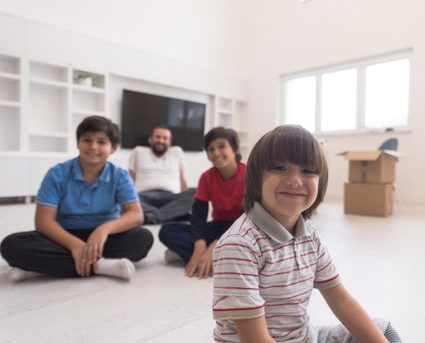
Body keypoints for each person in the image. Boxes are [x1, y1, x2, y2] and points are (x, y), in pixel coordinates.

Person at [212, 125, 401, 342]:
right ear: (257, 177)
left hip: (305, 337)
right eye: (279, 167)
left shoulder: (310, 234)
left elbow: (340, 299)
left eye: (308, 171)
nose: (295, 180)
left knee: (384, 332)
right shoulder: (240, 244)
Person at [0, 116, 153, 281]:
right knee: (11, 245)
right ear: (78, 143)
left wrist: (103, 230)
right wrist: (75, 245)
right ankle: (102, 266)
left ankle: (40, 268)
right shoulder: (57, 174)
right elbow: (44, 222)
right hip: (63, 236)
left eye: (101, 142)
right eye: (87, 140)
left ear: (113, 148)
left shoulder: (120, 176)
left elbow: (136, 215)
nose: (93, 147)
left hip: (104, 238)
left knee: (142, 239)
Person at [159, 127, 245, 279]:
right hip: (218, 225)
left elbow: (248, 218)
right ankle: (213, 259)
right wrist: (199, 245)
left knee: (247, 245)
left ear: (235, 149)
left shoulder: (249, 174)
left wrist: (214, 245)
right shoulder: (206, 178)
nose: (216, 153)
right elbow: (198, 215)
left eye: (222, 146)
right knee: (167, 230)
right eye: (211, 149)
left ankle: (202, 256)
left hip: (241, 228)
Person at [128, 126, 195, 224]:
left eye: (165, 138)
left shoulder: (177, 152)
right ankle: (171, 214)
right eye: (157, 137)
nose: (161, 141)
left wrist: (184, 199)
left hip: (171, 197)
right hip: (143, 197)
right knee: (122, 197)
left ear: (170, 142)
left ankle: (152, 216)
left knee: (197, 193)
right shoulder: (138, 151)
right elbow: (130, 178)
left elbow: (182, 178)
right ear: (150, 139)